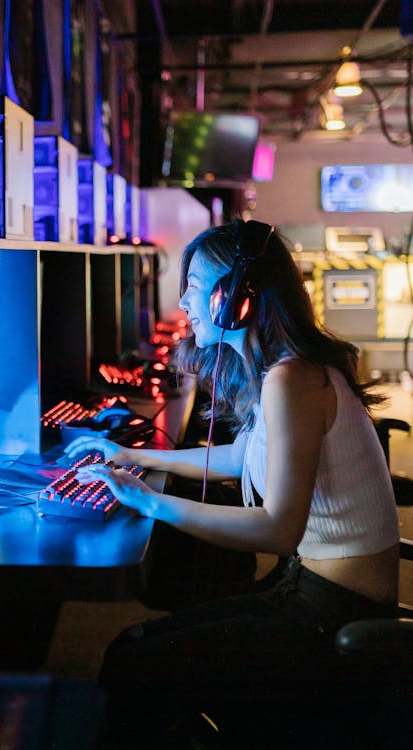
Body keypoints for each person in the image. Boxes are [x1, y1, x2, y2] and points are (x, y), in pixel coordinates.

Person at [65, 218, 400, 748]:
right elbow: (243, 457)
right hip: (306, 588)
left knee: (133, 662)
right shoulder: (284, 370)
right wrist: (131, 453)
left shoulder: (293, 380)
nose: (186, 304)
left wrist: (151, 503)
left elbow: (277, 529)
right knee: (136, 649)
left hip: (333, 610)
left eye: (195, 287)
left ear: (237, 299)